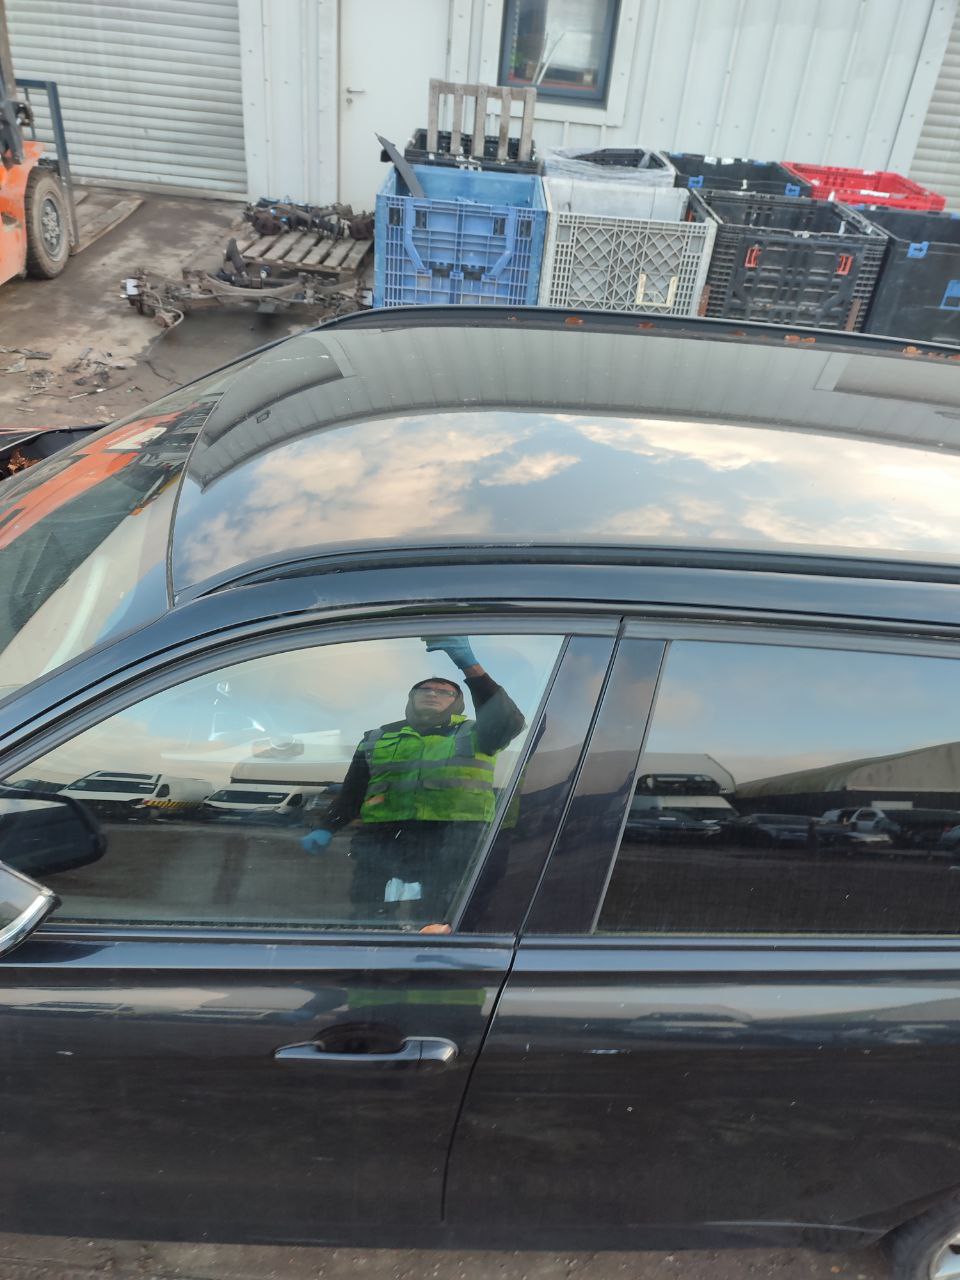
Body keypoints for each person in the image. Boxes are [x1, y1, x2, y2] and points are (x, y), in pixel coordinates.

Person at [301, 637, 525, 923]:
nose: (432, 694)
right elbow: (354, 792)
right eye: (424, 690)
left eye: (444, 692)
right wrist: (327, 827)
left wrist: (469, 666)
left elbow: (509, 720)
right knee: (369, 917)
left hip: (453, 841)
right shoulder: (377, 737)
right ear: (411, 698)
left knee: (438, 917)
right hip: (383, 842)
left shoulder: (478, 734)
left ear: (458, 703)